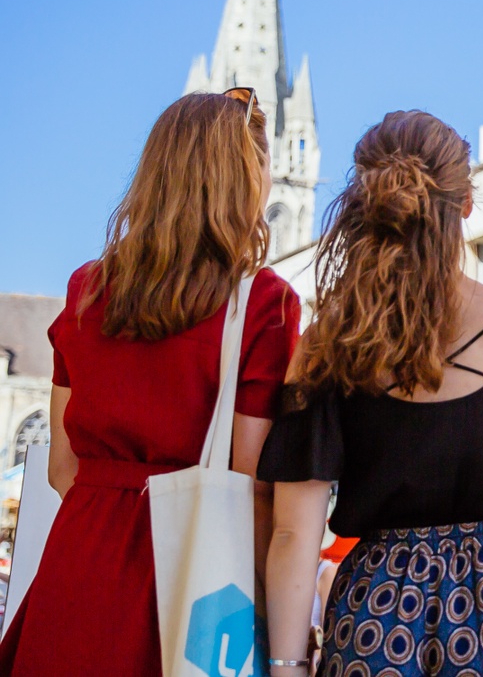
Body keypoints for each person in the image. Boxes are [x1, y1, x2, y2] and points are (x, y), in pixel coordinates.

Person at [260, 111, 483, 677]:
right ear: (467, 205)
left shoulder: (329, 345)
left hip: (378, 627)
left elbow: (292, 532)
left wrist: (284, 666)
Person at [0, 89, 300, 675]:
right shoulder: (264, 304)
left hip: (76, 567)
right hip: (190, 579)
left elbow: (64, 467)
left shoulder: (88, 288)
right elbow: (252, 487)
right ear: (245, 179)